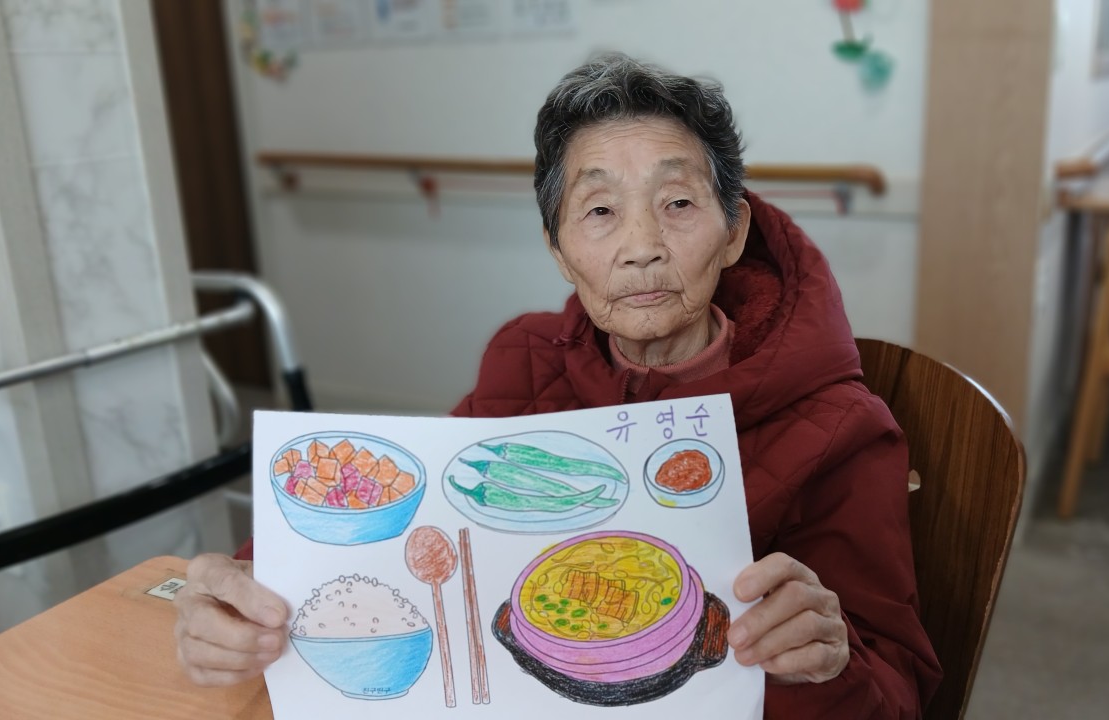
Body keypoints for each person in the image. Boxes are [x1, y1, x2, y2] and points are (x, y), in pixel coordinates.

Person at [174, 53, 942, 718]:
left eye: (678, 204)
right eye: (600, 209)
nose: (642, 246)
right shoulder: (527, 361)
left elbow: (898, 694)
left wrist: (828, 662)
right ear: (559, 250)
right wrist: (239, 592)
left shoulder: (840, 426)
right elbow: (415, 528)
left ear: (734, 231)